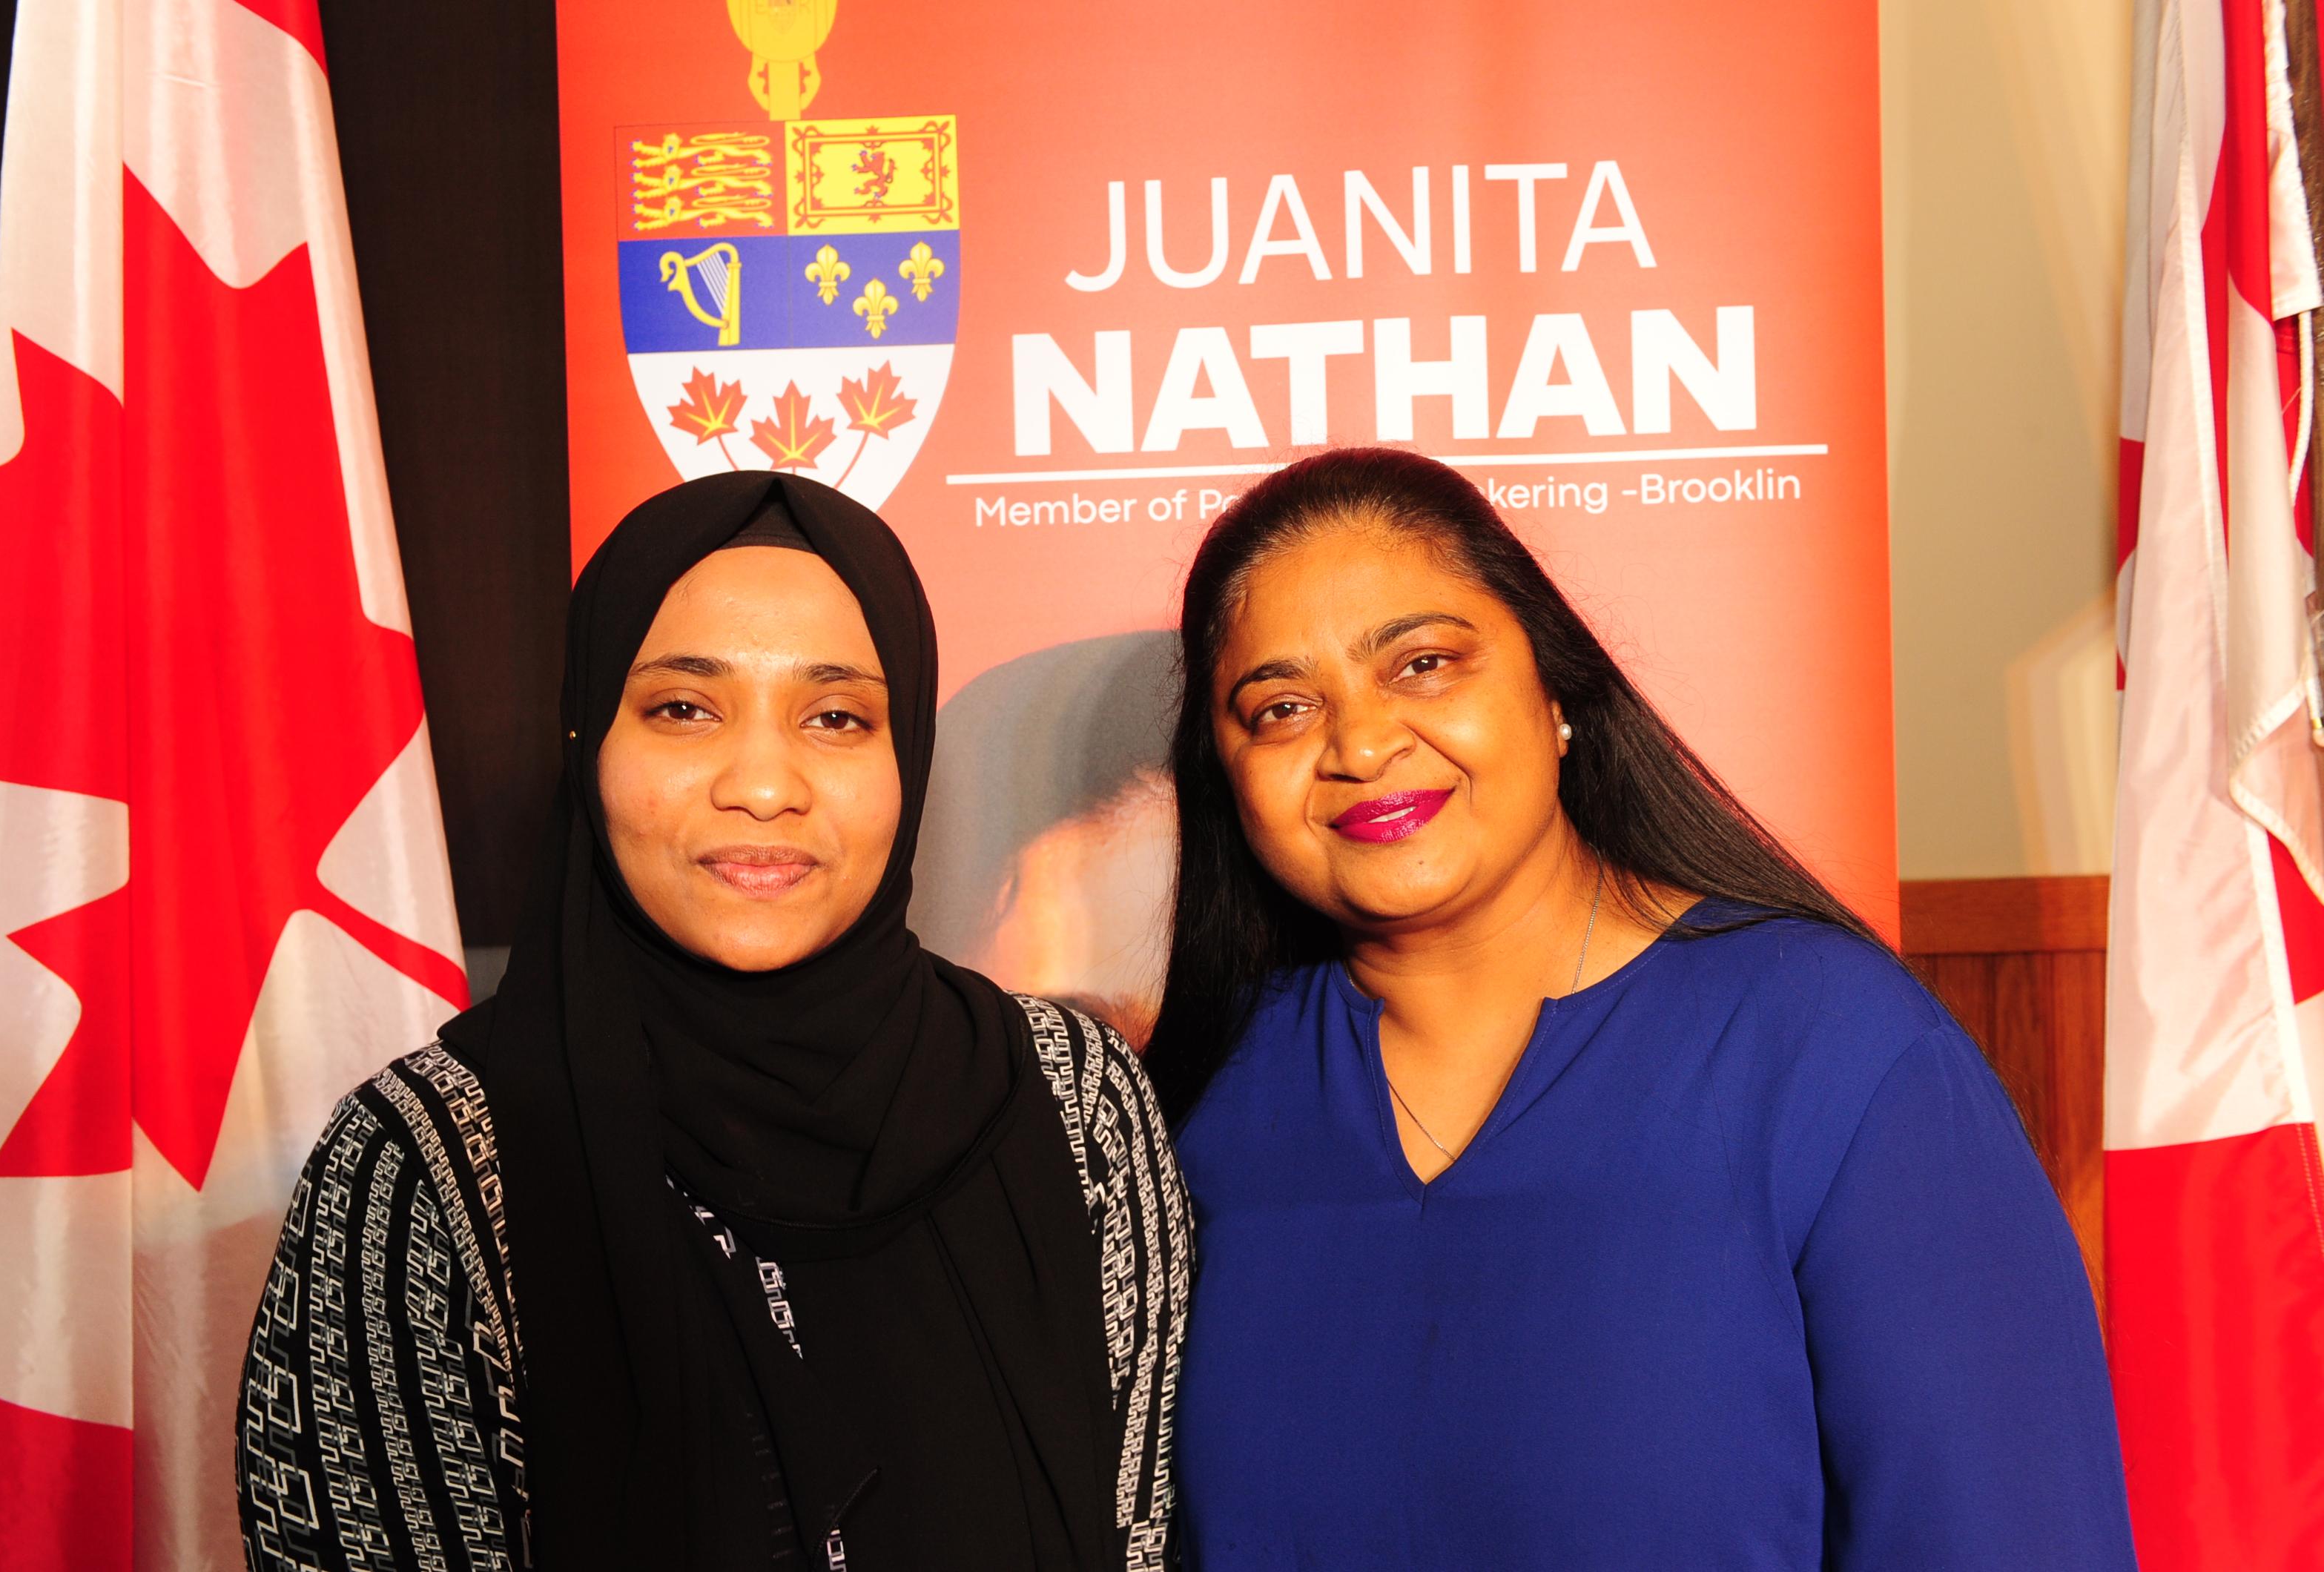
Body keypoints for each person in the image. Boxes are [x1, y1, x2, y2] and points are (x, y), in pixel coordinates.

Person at [1152, 448, 2134, 1568]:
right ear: (1228, 777)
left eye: (1423, 665)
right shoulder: (1198, 1107)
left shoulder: (1835, 1053)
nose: (1363, 743)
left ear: (1556, 693)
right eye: (1281, 708)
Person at [236, 473, 1189, 1572]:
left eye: (836, 717)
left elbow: (1142, 1537)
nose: (765, 786)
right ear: (588, 740)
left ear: (908, 761)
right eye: (685, 709)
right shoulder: (428, 1163)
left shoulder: (1075, 1098)